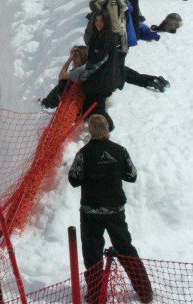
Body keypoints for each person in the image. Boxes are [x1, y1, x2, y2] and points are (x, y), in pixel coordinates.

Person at [68, 114, 152, 304]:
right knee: (125, 248)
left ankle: (97, 295)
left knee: (92, 253)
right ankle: (144, 291)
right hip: (115, 210)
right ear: (107, 129)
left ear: (90, 131)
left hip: (91, 212)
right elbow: (132, 175)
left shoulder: (83, 153)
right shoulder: (120, 151)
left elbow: (74, 180)